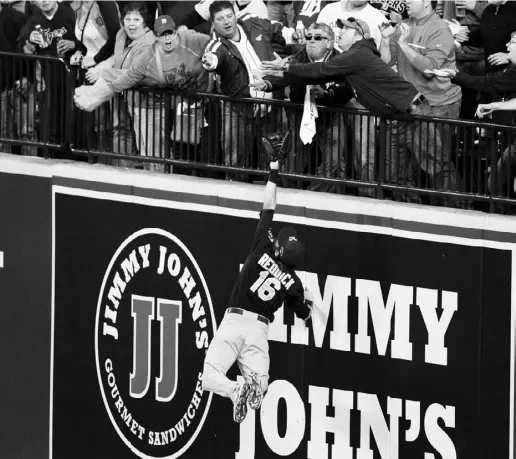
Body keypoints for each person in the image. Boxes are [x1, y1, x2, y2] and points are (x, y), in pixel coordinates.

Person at [261, 17, 440, 201]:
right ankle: (406, 217)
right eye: (309, 37)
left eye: (345, 29)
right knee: (396, 178)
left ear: (357, 36)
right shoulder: (358, 55)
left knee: (439, 167)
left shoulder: (356, 54)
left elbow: (320, 70)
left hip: (415, 113)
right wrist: (271, 80)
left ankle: (464, 211)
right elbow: (316, 71)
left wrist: (286, 66)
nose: (340, 32)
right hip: (396, 116)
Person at [201, 134, 314, 424]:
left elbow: (269, 204)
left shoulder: (262, 245)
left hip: (235, 320)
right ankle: (246, 389)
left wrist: (274, 167)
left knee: (211, 378)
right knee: (259, 392)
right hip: (258, 332)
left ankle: (233, 388)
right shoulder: (293, 283)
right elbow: (303, 312)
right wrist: (307, 310)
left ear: (277, 247)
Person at [74, 14, 210, 172]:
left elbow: (216, 44)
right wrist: (94, 95)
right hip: (175, 104)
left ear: (176, 32)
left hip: (203, 98)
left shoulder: (190, 38)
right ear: (156, 37)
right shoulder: (149, 58)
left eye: (170, 33)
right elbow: (125, 79)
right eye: (162, 35)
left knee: (193, 150)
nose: (167, 39)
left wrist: (213, 60)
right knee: (165, 150)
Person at [202, 1, 296, 176]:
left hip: (272, 106)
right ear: (213, 24)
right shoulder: (215, 45)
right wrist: (210, 62)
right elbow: (214, 59)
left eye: (229, 16)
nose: (227, 22)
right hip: (238, 109)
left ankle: (276, 197)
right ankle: (236, 197)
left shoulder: (252, 21)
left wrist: (294, 35)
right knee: (236, 160)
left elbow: (276, 29)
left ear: (235, 15)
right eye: (220, 19)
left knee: (277, 158)